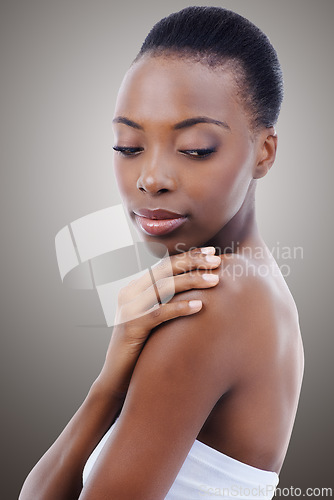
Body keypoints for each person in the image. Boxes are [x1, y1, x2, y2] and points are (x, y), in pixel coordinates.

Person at [19, 6, 304, 500]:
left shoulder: (211, 304)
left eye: (194, 148)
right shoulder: (257, 287)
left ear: (265, 152)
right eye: (129, 146)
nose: (150, 178)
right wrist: (112, 378)